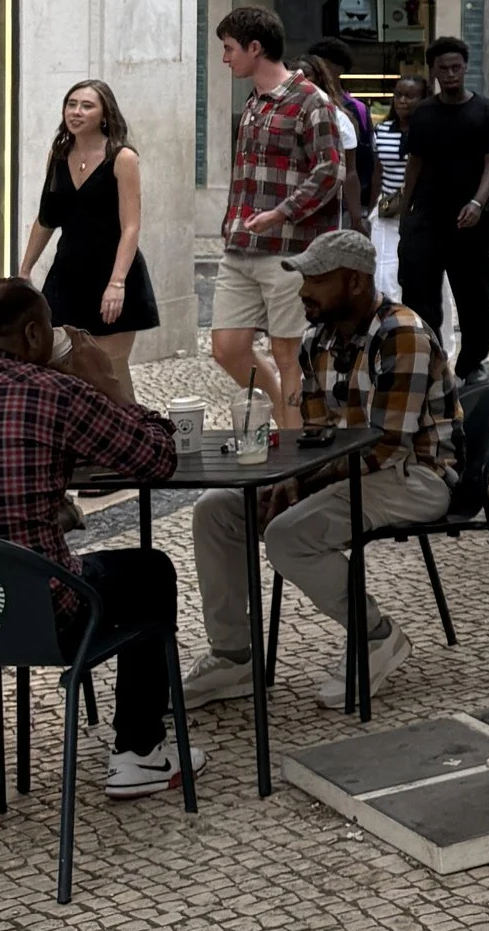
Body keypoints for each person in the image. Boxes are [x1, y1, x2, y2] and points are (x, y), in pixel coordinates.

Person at [186, 227, 461, 712]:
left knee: (289, 536)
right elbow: (315, 437)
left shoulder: (402, 336)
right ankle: (233, 657)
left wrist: (303, 481)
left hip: (417, 475)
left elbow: (386, 449)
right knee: (215, 511)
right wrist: (290, 477)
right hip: (350, 469)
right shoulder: (319, 341)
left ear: (354, 282)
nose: (303, 291)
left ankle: (376, 636)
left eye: (315, 279)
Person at [0, 275, 198, 799]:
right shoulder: (56, 393)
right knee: (149, 570)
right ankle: (140, 753)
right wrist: (105, 385)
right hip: (43, 617)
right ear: (34, 335)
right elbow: (157, 458)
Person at [213, 3, 345, 434]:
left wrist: (280, 214)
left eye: (230, 48)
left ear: (256, 47)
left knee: (290, 355)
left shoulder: (311, 101)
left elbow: (330, 171)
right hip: (240, 247)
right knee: (227, 347)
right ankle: (283, 408)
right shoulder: (254, 102)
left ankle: (290, 454)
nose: (225, 57)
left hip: (289, 251)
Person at [22, 80, 157, 408]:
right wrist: (24, 270)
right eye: (71, 104)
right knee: (63, 366)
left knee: (110, 369)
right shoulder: (59, 155)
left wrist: (117, 283)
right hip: (67, 275)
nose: (76, 112)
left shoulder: (122, 158)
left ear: (104, 114)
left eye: (86, 105)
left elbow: (131, 226)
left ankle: (138, 436)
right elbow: (46, 218)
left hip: (112, 274)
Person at [398, 36, 489, 380]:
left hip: (472, 221)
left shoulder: (487, 111)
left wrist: (478, 201)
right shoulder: (423, 113)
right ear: (433, 71)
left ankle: (471, 362)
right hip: (429, 216)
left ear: (465, 68)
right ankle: (431, 361)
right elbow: (415, 162)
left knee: (475, 296)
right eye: (443, 68)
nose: (450, 74)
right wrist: (405, 212)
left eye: (456, 68)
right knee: (419, 292)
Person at [371, 69, 427, 301]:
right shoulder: (382, 131)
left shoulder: (429, 131)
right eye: (399, 95)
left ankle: (433, 335)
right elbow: (377, 171)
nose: (403, 101)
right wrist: (371, 208)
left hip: (421, 212)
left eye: (410, 96)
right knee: (384, 276)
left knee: (425, 280)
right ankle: (391, 331)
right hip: (388, 210)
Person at [302, 52, 373, 234]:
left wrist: (357, 219)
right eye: (295, 75)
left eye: (306, 75)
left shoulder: (339, 119)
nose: (301, 80)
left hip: (328, 207)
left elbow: (350, 172)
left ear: (318, 78)